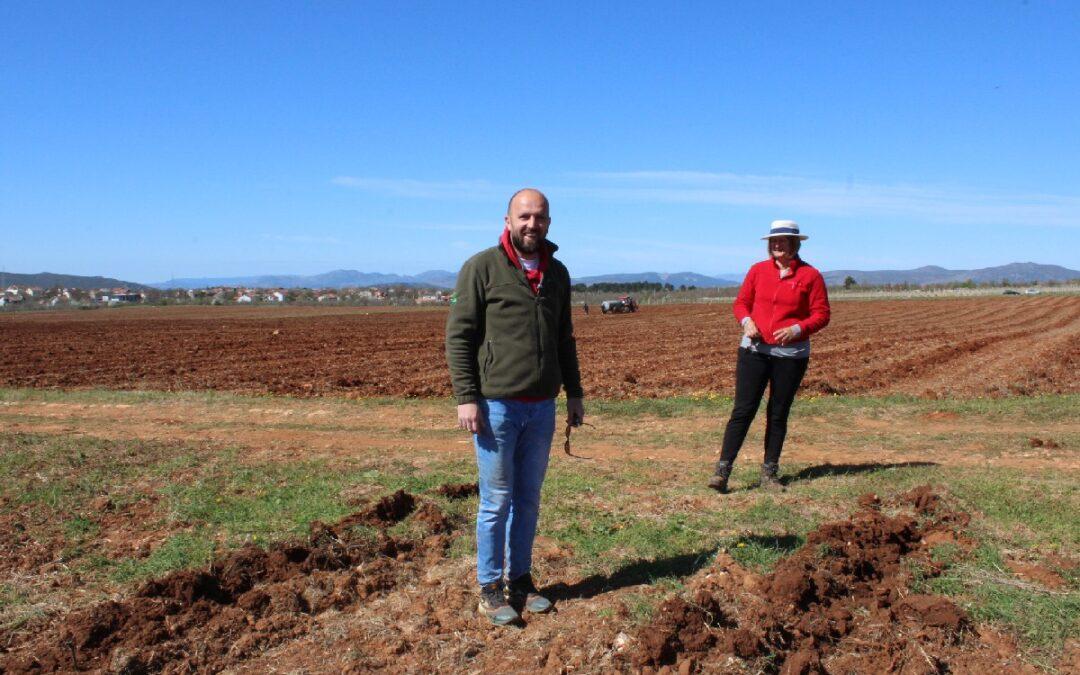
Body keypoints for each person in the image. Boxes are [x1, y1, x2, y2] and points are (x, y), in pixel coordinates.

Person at [445, 188, 585, 626]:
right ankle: (490, 587)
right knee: (496, 500)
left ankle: (520, 580)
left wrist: (575, 392)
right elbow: (459, 336)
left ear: (548, 222)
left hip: (541, 406)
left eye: (539, 217)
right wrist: (466, 396)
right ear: (507, 220)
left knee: (528, 498)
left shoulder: (557, 273)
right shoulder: (482, 268)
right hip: (496, 406)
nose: (532, 224)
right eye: (524, 216)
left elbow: (564, 339)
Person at [708, 220, 830, 493]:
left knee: (777, 413)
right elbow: (741, 303)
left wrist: (798, 328)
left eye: (782, 241)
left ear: (795, 244)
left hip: (791, 355)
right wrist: (746, 322)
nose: (776, 245)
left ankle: (769, 473)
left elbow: (822, 314)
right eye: (772, 241)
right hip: (754, 351)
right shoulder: (758, 271)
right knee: (743, 410)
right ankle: (722, 471)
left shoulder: (811, 276)